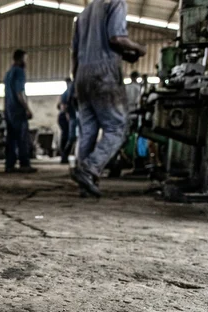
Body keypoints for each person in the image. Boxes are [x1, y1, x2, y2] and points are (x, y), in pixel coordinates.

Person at [71, 0, 146, 197]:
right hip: (104, 75)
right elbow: (116, 38)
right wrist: (139, 48)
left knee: (88, 132)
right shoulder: (115, 3)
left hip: (82, 77)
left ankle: (85, 185)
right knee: (117, 128)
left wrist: (75, 85)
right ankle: (89, 169)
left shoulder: (83, 14)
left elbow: (75, 55)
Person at [3, 49, 36, 173]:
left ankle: (9, 165)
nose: (26, 62)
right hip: (17, 110)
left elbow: (6, 95)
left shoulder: (8, 73)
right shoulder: (19, 72)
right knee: (22, 138)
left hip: (9, 110)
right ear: (20, 59)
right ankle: (24, 164)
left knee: (11, 138)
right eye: (25, 59)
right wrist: (27, 108)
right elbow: (19, 92)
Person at [58, 78, 77, 164]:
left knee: (68, 137)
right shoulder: (67, 93)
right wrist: (67, 114)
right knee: (69, 137)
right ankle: (64, 155)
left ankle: (64, 155)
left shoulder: (66, 92)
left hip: (69, 116)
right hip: (68, 117)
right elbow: (63, 106)